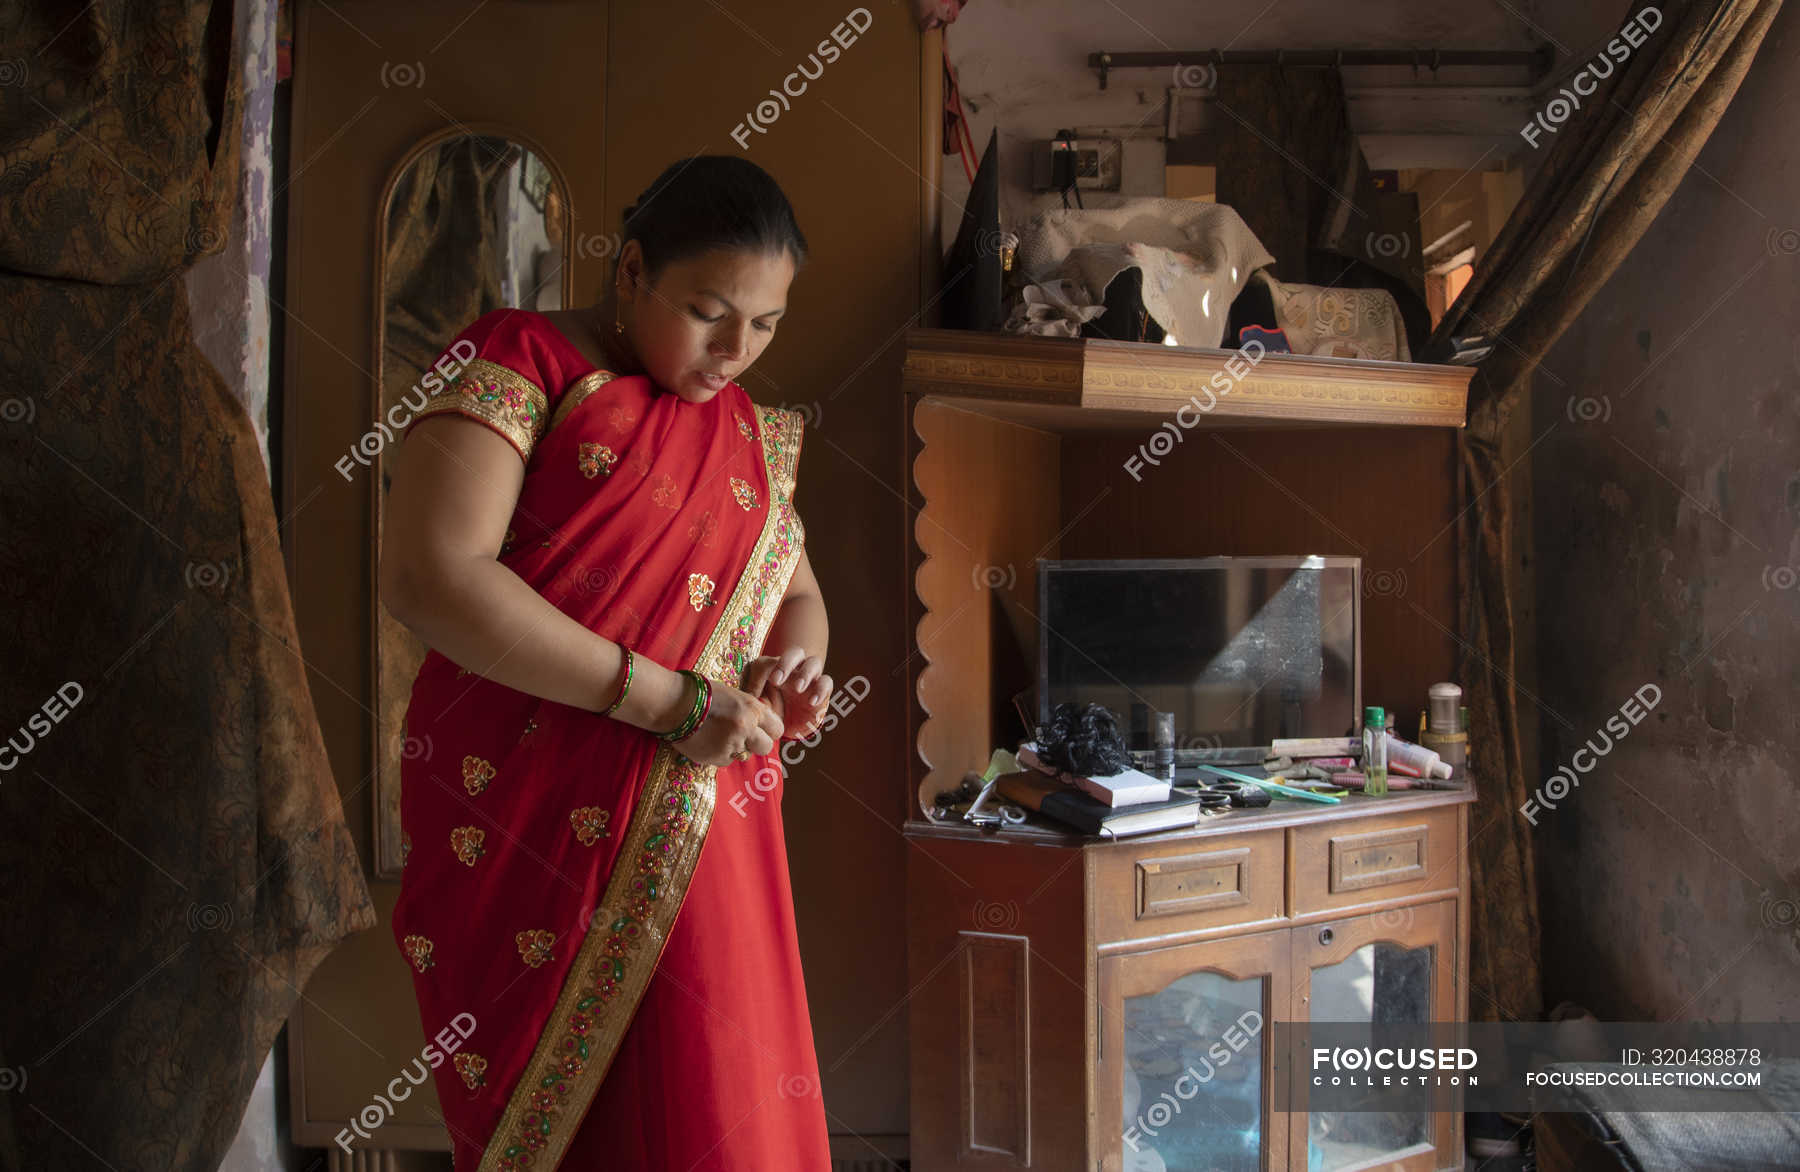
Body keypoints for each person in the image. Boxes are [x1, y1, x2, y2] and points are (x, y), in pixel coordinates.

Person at [380, 155, 833, 1171]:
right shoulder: (517, 357)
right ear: (630, 269)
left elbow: (796, 598)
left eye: (766, 324)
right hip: (528, 803)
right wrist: (668, 700)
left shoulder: (743, 433)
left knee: (712, 1097)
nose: (736, 350)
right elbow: (429, 574)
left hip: (701, 825)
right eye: (711, 310)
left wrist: (792, 674)